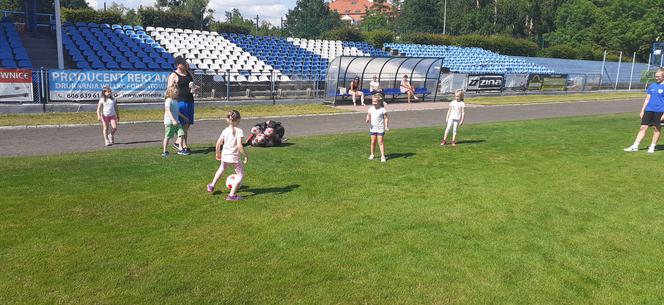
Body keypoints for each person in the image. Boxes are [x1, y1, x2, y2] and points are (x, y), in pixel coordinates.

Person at [207, 110, 249, 201]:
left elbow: (218, 144)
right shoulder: (239, 131)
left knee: (221, 169)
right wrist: (245, 155)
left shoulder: (225, 131)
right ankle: (232, 195)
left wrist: (218, 153)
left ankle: (212, 185)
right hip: (234, 157)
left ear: (227, 119)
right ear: (238, 120)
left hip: (225, 155)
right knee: (240, 175)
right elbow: (239, 145)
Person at [624, 68, 664, 153]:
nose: (656, 78)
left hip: (660, 111)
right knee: (643, 127)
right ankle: (635, 146)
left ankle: (652, 147)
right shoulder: (652, 85)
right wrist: (642, 110)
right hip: (649, 110)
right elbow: (647, 99)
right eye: (656, 76)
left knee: (656, 129)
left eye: (658, 76)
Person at [167, 56, 199, 154]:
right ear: (178, 65)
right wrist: (170, 103)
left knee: (188, 123)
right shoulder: (173, 75)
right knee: (183, 124)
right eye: (182, 63)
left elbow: (193, 84)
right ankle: (183, 146)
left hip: (190, 100)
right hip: (180, 102)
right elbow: (169, 90)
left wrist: (195, 88)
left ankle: (178, 143)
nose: (185, 64)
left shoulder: (188, 73)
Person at [162, 85, 189, 157]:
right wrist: (173, 120)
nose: (177, 93)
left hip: (177, 122)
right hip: (169, 122)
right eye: (176, 92)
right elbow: (168, 111)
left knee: (181, 133)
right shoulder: (168, 100)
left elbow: (177, 112)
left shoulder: (175, 101)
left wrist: (184, 117)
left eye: (178, 92)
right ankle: (165, 151)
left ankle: (180, 149)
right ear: (170, 92)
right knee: (168, 137)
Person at [366, 94, 389, 162]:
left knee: (380, 142)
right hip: (373, 128)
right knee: (373, 142)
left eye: (375, 102)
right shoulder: (371, 109)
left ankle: (382, 156)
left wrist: (386, 126)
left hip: (380, 128)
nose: (374, 103)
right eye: (373, 102)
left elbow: (386, 118)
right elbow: (368, 115)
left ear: (379, 102)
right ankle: (372, 154)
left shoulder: (382, 110)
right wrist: (367, 119)